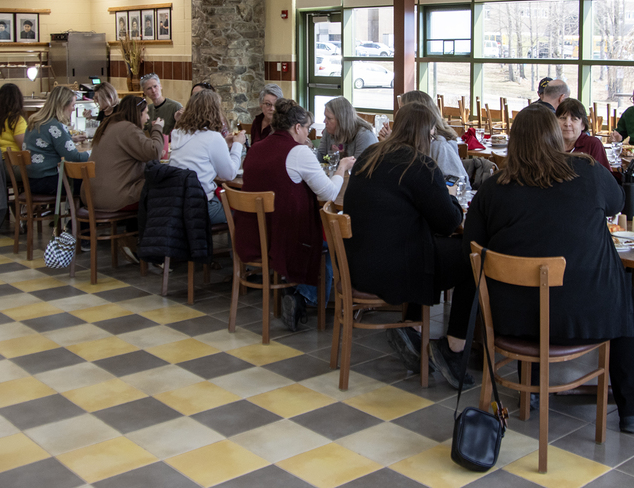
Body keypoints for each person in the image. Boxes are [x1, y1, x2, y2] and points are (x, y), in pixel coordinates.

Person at [463, 104, 634, 433]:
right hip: (584, 315)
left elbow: (471, 246)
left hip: (509, 318)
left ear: (514, 140)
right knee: (625, 301)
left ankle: (530, 390)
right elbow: (617, 204)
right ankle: (633, 408)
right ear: (556, 136)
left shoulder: (494, 186)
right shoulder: (587, 171)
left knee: (538, 288)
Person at [343, 101, 476, 389]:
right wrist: (451, 196)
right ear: (427, 133)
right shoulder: (419, 165)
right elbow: (448, 222)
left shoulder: (370, 155)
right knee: (472, 259)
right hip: (396, 270)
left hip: (358, 264)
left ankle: (413, 329)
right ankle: (453, 349)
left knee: (421, 244)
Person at [239, 99, 353, 331]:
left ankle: (295, 289)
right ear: (297, 127)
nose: (309, 134)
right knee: (332, 242)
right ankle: (303, 298)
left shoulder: (256, 148)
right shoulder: (298, 151)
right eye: (308, 128)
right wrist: (341, 168)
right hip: (284, 239)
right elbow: (329, 193)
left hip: (252, 236)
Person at [169, 90, 244, 224]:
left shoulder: (178, 133)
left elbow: (198, 150)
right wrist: (238, 145)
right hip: (201, 206)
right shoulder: (213, 137)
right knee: (243, 215)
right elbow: (229, 174)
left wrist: (224, 144)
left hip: (177, 204)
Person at [87, 96, 165, 213]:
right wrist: (157, 128)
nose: (148, 117)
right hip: (113, 198)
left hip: (92, 197)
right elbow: (154, 153)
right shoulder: (127, 128)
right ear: (137, 113)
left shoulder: (109, 125)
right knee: (163, 184)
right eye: (146, 113)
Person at [381, 90, 469, 189]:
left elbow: (460, 182)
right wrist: (389, 141)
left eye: (402, 109)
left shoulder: (439, 145)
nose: (398, 114)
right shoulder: (410, 143)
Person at [23, 86, 90, 196]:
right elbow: (74, 157)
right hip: (49, 182)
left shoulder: (34, 122)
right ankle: (80, 207)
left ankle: (74, 206)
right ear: (63, 105)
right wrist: (92, 153)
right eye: (72, 105)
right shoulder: (55, 126)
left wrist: (70, 139)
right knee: (91, 181)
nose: (73, 109)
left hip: (32, 180)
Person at [555, 98, 608, 167]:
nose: (567, 124)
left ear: (583, 125)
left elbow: (603, 173)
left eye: (574, 119)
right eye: (563, 118)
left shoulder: (592, 144)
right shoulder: (549, 143)